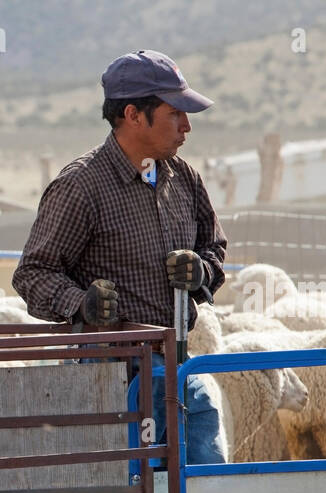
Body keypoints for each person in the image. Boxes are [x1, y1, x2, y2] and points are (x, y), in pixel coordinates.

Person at [11, 49, 228, 465]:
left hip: (178, 367)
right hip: (112, 378)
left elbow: (214, 247)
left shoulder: (183, 177)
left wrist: (201, 270)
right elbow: (33, 274)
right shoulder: (82, 187)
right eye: (175, 113)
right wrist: (82, 304)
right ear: (133, 115)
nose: (186, 126)